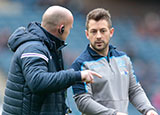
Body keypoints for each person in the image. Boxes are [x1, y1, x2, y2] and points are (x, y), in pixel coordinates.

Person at [2, 6, 102, 115]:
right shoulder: (34, 48)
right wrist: (77, 76)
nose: (69, 32)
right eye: (70, 28)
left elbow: (50, 88)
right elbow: (37, 81)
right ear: (61, 28)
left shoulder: (47, 47)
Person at [71, 8, 158, 115]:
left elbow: (134, 90)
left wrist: (148, 109)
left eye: (103, 31)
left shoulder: (124, 59)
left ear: (111, 32)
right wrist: (113, 114)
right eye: (94, 31)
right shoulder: (80, 64)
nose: (98, 36)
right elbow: (83, 101)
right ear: (87, 34)